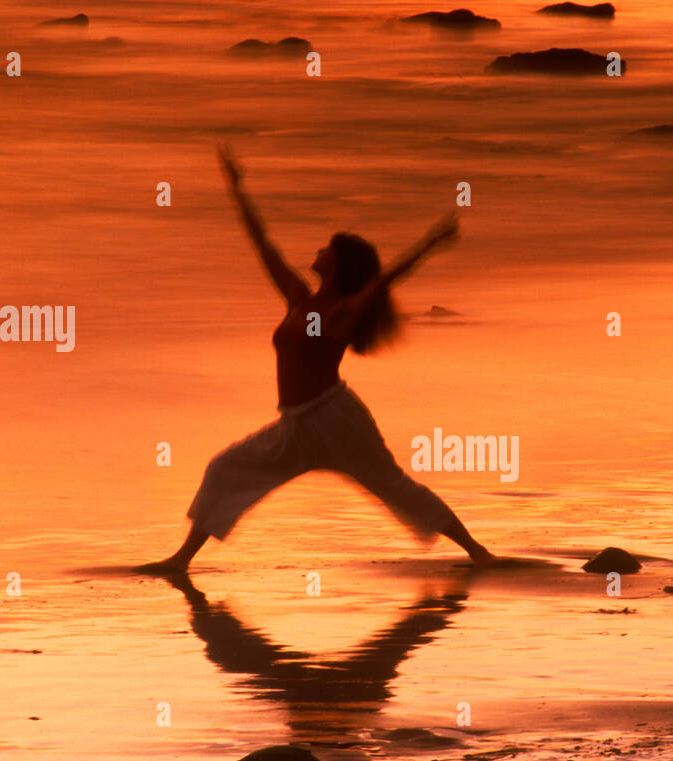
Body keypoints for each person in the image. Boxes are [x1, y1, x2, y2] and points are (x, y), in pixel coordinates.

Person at [141, 146, 494, 573]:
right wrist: (237, 190)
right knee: (226, 469)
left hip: (336, 420)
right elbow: (263, 246)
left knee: (393, 486)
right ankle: (180, 560)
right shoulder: (297, 299)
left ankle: (477, 551)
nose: (318, 249)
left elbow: (386, 279)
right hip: (295, 425)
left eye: (327, 248)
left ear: (339, 267)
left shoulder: (342, 312)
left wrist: (431, 243)